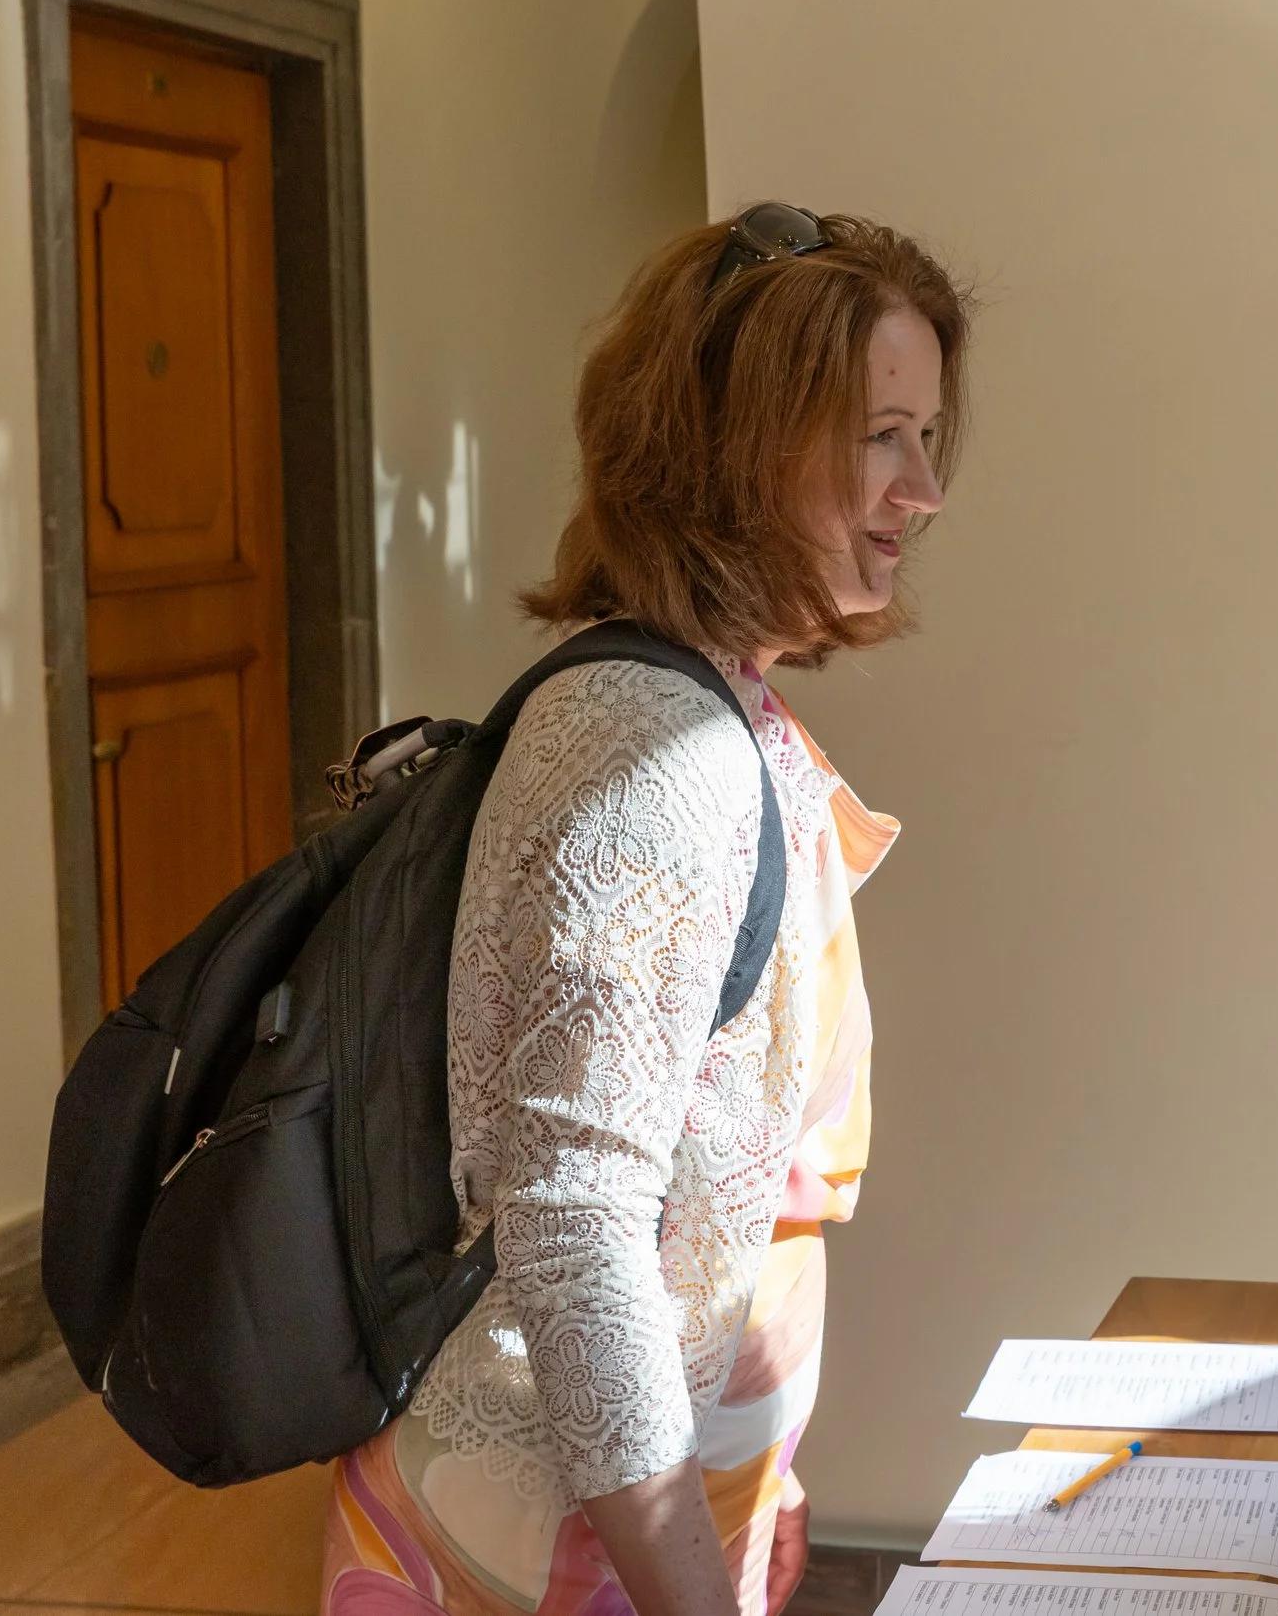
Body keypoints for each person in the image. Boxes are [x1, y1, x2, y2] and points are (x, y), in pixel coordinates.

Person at [317, 205, 969, 1616]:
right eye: (880, 435)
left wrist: (765, 1477)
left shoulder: (721, 702)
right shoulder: (644, 753)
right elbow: (574, 1225)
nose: (923, 489)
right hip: (553, 1541)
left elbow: (721, 1174)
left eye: (929, 437)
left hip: (637, 1517)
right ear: (731, 445)